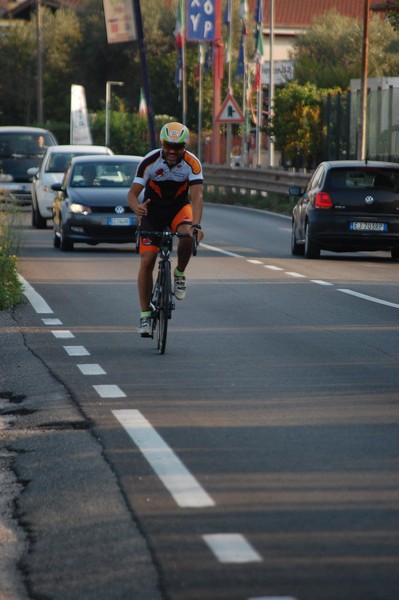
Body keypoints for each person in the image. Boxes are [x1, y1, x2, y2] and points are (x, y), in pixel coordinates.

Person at [127, 122, 204, 337]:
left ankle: (179, 273)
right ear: (162, 144)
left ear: (184, 146)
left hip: (179, 208)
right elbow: (132, 194)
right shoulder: (149, 161)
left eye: (177, 147)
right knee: (147, 261)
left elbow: (197, 196)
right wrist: (136, 207)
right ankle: (144, 315)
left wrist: (197, 225)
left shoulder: (192, 163)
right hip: (152, 211)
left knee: (187, 235)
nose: (172, 151)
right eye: (168, 145)